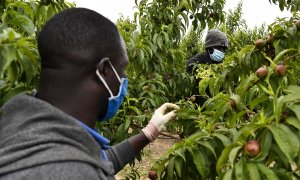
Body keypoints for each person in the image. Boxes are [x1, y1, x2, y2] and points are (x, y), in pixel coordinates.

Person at [0, 8, 179, 179]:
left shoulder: (21, 128)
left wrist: (149, 132)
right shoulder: (71, 172)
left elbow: (98, 161)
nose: (124, 79)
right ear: (104, 70)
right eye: (122, 69)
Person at [186, 29, 228, 105]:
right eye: (218, 48)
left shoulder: (224, 65)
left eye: (223, 49)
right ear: (209, 48)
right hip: (198, 111)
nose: (221, 51)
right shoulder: (195, 62)